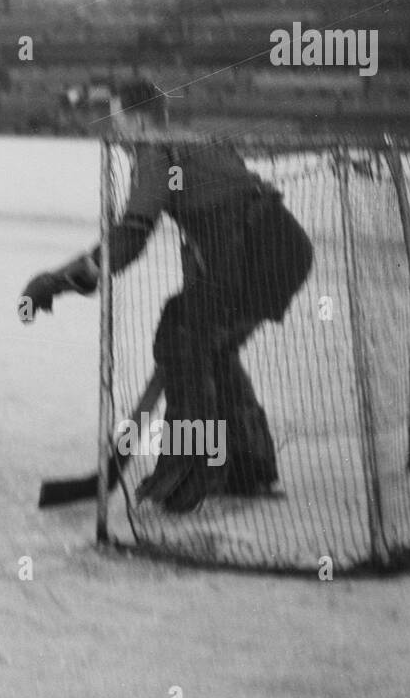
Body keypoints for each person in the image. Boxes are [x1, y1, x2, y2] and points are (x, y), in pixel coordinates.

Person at [19, 79, 314, 513]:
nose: (115, 133)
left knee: (183, 337)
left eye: (117, 121)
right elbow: (219, 213)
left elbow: (130, 239)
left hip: (257, 252)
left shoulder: (154, 151)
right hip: (282, 247)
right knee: (202, 339)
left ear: (137, 119)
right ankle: (245, 463)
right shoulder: (192, 140)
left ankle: (193, 468)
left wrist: (59, 280)